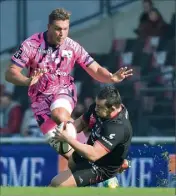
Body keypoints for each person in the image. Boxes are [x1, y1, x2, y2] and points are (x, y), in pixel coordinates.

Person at [5, 8, 133, 152]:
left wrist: (110, 77)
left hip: (63, 90)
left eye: (66, 29)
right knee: (73, 159)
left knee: (59, 114)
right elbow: (10, 73)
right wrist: (27, 81)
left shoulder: (72, 46)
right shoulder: (31, 45)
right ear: (49, 27)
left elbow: (95, 69)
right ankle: (94, 160)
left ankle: (97, 146)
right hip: (40, 104)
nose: (62, 33)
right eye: (58, 29)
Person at [50, 86, 132, 187]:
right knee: (71, 162)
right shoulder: (101, 107)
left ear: (113, 109)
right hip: (92, 148)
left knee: (57, 184)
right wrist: (68, 129)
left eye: (99, 107)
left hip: (103, 166)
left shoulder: (117, 127)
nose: (95, 108)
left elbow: (93, 155)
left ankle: (110, 178)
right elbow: (82, 122)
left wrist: (68, 138)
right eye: (96, 104)